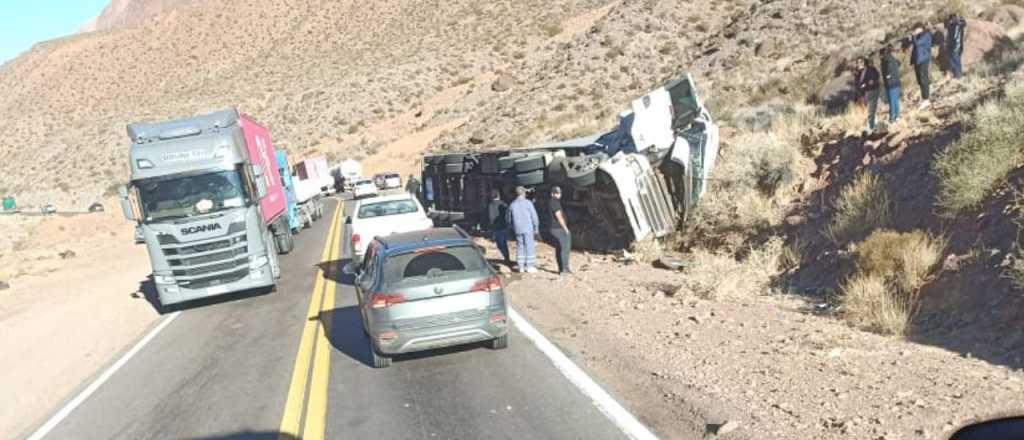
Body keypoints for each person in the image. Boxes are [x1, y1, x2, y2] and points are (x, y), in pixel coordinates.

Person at [506, 186, 539, 273]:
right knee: (529, 246)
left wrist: (512, 226)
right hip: (528, 228)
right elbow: (534, 216)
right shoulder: (528, 203)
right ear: (524, 193)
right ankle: (529, 266)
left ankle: (520, 266)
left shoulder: (512, 204)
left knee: (520, 246)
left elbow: (509, 218)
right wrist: (536, 227)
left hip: (517, 228)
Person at [547, 186, 572, 277]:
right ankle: (564, 269)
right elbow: (558, 216)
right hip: (558, 228)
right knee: (565, 248)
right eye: (557, 193)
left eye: (559, 193)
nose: (559, 195)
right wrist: (565, 229)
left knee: (559, 248)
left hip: (554, 229)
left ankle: (562, 269)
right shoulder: (554, 202)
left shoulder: (552, 202)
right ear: (552, 194)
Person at [909, 24, 934, 108]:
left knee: (923, 79)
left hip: (923, 59)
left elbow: (917, 43)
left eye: (915, 30)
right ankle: (924, 98)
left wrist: (913, 36)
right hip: (918, 60)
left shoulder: (926, 35)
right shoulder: (920, 35)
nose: (914, 31)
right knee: (920, 80)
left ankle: (926, 99)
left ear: (920, 29)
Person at [855, 57, 881, 133]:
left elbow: (872, 80)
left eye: (861, 62)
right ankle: (871, 125)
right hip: (863, 93)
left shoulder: (869, 70)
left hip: (870, 91)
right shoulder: (858, 72)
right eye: (858, 62)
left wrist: (865, 85)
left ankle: (872, 127)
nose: (859, 64)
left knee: (871, 110)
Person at [487, 189, 512, 266]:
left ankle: (507, 258)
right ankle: (507, 258)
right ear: (498, 195)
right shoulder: (504, 204)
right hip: (504, 226)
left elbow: (491, 217)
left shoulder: (491, 205)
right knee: (504, 243)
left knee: (500, 244)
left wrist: (491, 227)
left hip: (496, 227)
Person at [881, 45, 902, 123]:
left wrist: (888, 77)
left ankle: (892, 118)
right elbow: (899, 63)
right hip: (896, 82)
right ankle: (897, 116)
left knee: (892, 101)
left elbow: (887, 71)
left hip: (891, 84)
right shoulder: (892, 58)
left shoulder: (886, 59)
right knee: (895, 100)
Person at [945, 14, 967, 79]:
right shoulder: (951, 25)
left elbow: (964, 24)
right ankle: (957, 74)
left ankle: (958, 75)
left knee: (955, 59)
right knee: (954, 60)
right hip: (953, 45)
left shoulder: (957, 25)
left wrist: (961, 18)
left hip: (956, 45)